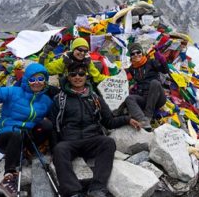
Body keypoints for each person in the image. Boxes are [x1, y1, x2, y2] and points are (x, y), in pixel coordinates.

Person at [49, 63, 141, 197]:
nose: (77, 77)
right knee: (59, 149)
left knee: (108, 142)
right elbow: (53, 126)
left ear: (86, 76)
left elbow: (108, 121)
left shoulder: (95, 98)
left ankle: (97, 188)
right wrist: (53, 149)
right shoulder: (60, 99)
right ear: (68, 77)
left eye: (81, 74)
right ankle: (73, 192)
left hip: (92, 139)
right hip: (70, 141)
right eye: (73, 74)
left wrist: (127, 119)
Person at [0, 63, 53, 197]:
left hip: (27, 137)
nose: (37, 82)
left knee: (47, 125)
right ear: (26, 80)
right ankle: (8, 178)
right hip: (6, 136)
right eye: (32, 79)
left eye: (41, 79)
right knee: (16, 135)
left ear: (45, 81)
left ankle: (27, 151)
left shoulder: (46, 101)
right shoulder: (13, 92)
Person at [124, 43, 168, 130]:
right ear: (131, 56)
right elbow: (124, 77)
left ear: (142, 52)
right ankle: (143, 120)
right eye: (133, 53)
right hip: (144, 98)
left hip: (158, 98)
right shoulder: (132, 69)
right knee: (129, 98)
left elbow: (165, 70)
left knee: (154, 83)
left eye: (138, 52)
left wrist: (162, 59)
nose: (136, 55)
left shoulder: (151, 62)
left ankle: (148, 116)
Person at [39, 36, 107, 83]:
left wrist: (114, 79)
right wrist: (46, 51)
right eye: (80, 50)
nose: (82, 53)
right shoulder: (64, 61)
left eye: (85, 51)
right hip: (67, 90)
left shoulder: (87, 62)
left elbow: (97, 77)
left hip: (83, 90)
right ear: (73, 49)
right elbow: (45, 70)